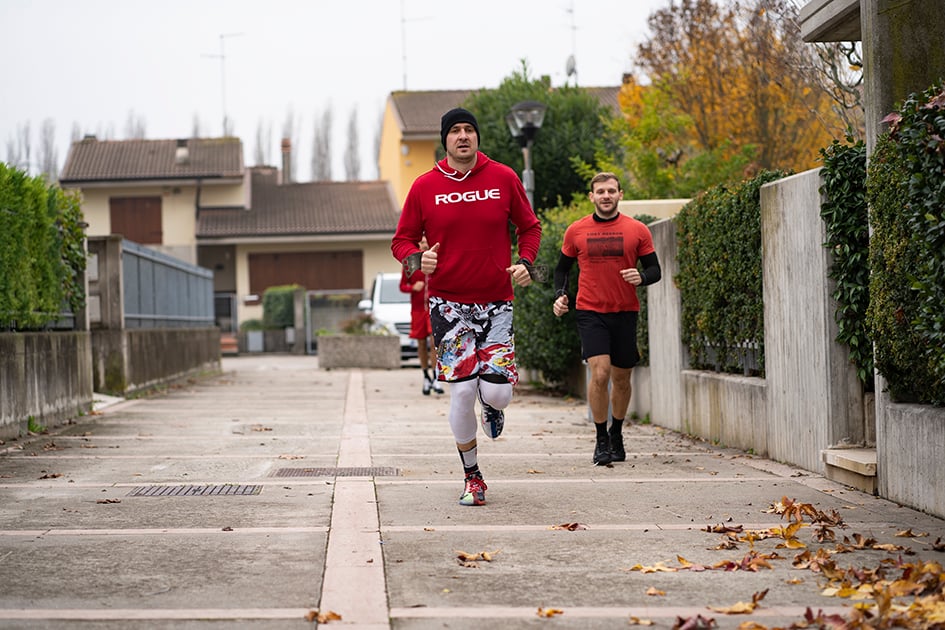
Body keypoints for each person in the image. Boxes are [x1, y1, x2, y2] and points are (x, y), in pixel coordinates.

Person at [391, 107, 542, 506]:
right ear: (445, 140)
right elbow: (401, 241)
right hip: (448, 305)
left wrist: (525, 263)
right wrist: (415, 261)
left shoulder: (504, 177)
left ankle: (491, 406)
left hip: (497, 303)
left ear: (477, 138)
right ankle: (472, 477)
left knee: (498, 396)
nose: (463, 136)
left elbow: (530, 227)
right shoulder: (425, 186)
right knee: (460, 394)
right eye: (455, 131)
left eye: (469, 130)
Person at [552, 172, 661, 466]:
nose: (606, 196)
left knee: (622, 379)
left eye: (611, 191)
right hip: (590, 311)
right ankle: (601, 439)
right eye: (600, 191)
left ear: (620, 194)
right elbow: (561, 270)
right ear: (592, 197)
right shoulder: (576, 230)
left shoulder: (637, 230)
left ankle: (617, 433)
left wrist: (641, 277)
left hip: (625, 311)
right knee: (600, 373)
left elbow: (655, 270)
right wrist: (561, 295)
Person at [400, 237, 444, 396]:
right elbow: (402, 286)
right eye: (421, 242)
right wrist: (413, 287)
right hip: (418, 310)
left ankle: (436, 377)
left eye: (426, 242)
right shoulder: (410, 263)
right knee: (420, 343)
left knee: (434, 342)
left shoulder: (435, 260)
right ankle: (425, 375)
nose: (424, 245)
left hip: (433, 308)